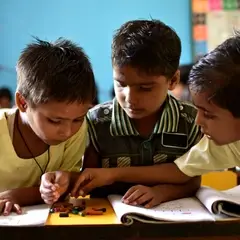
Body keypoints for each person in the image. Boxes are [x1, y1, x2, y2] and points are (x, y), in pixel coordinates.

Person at [40, 19, 202, 208]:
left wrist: (160, 193)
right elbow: (89, 177)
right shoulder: (96, 122)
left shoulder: (190, 120)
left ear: (173, 80)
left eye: (145, 88)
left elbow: (192, 180)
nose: (130, 98)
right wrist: (64, 179)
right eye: (121, 84)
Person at [0, 38, 96, 215]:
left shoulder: (77, 130)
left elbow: (69, 185)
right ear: (23, 102)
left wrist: (62, 182)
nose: (67, 131)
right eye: (54, 121)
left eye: (78, 119)